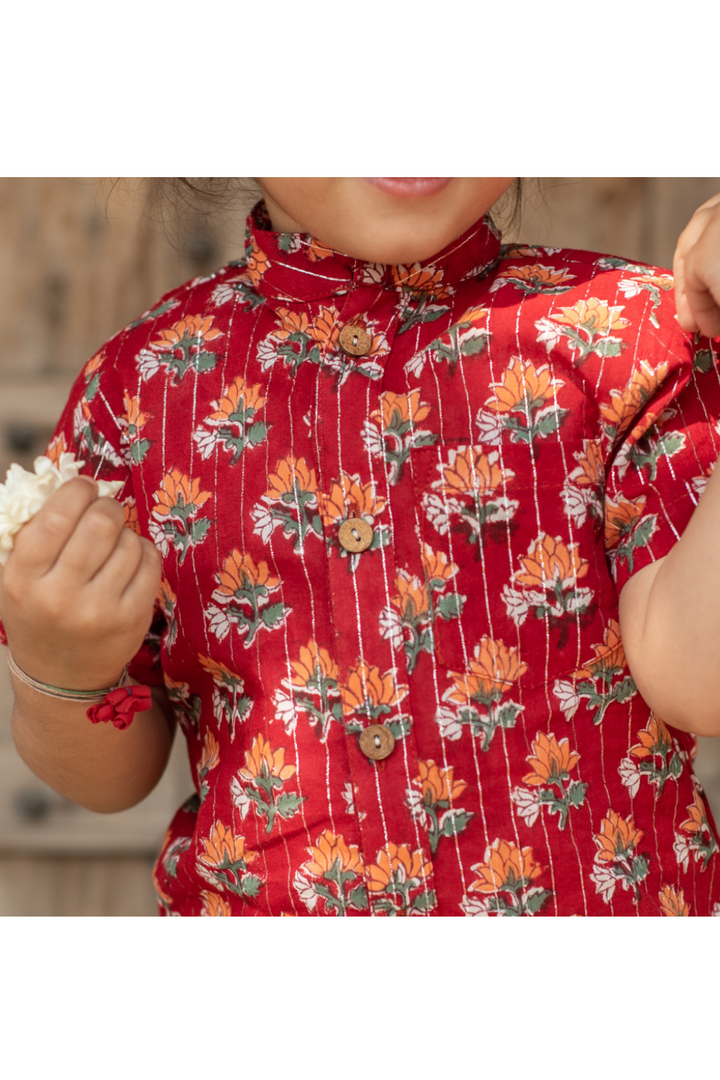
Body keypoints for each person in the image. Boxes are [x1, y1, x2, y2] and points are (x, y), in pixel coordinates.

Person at [1, 178, 719, 916]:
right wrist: (60, 672)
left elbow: (699, 684)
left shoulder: (633, 337)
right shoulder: (136, 392)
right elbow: (113, 781)